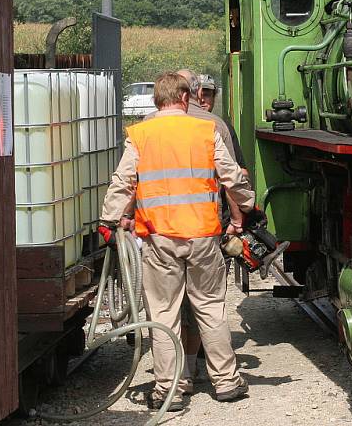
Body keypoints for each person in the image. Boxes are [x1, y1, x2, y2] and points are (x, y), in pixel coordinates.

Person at [100, 72, 259, 410]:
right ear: (187, 98)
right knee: (210, 309)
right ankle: (227, 381)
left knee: (163, 314)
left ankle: (170, 389)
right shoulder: (205, 130)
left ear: (157, 100)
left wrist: (110, 221)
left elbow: (123, 182)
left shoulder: (140, 135)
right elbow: (231, 175)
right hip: (203, 237)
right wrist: (246, 204)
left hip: (160, 241)